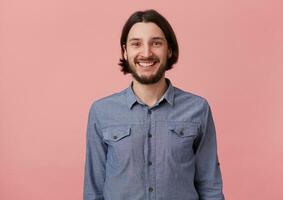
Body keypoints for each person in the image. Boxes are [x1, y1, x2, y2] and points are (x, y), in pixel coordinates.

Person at [83, 9, 225, 200]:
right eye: (136, 44)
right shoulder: (101, 112)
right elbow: (94, 191)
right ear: (125, 52)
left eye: (156, 43)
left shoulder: (198, 109)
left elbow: (210, 188)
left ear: (170, 50)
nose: (146, 53)